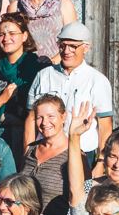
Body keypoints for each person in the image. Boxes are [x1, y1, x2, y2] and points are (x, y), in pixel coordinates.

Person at [24, 22, 113, 166]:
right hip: (46, 151)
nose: (66, 51)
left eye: (73, 46)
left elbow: (105, 126)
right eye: (62, 45)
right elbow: (31, 119)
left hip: (82, 153)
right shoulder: (43, 76)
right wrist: (26, 154)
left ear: (86, 48)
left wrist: (101, 162)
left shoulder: (97, 80)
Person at [0, 12, 46, 161]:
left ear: (24, 36)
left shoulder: (38, 68)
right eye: (1, 34)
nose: (6, 38)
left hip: (29, 138)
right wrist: (1, 100)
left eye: (12, 33)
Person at [17, 94, 70, 215]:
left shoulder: (74, 156)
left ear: (63, 117)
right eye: (40, 117)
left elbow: (82, 202)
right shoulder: (31, 150)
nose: (45, 122)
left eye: (51, 116)